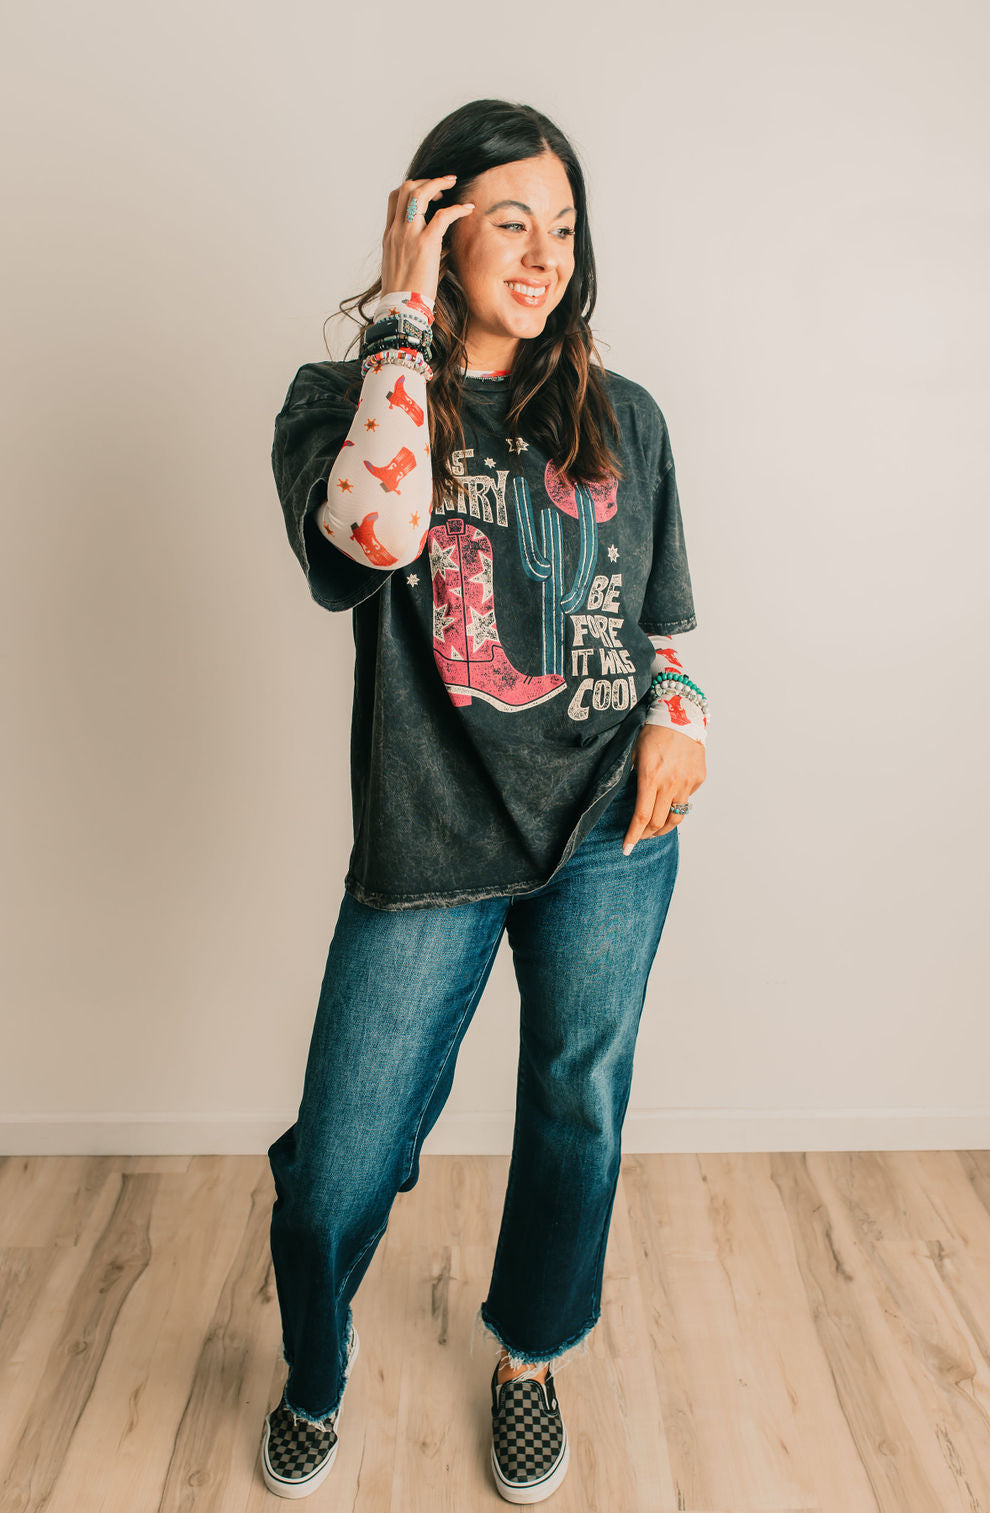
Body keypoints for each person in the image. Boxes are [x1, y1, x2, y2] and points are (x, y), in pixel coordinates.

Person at [261, 98, 709, 1504]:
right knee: (341, 1161)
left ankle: (529, 1355)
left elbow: (660, 621)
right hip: (433, 831)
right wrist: (404, 318)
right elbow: (373, 534)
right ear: (438, 226)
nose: (543, 254)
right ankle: (316, 1371)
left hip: (609, 833)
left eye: (562, 226)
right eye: (509, 220)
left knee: (579, 1103)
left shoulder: (624, 416)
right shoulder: (340, 403)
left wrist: (683, 717)